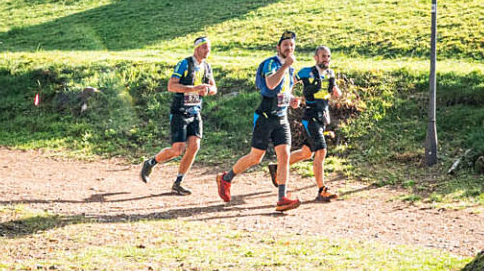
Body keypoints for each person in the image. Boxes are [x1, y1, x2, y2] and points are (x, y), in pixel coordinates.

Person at [217, 30, 304, 212]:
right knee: (255, 158)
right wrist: (285, 66)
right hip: (265, 117)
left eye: (292, 46)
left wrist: (293, 100)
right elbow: (271, 84)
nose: (289, 48)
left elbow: (284, 91)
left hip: (281, 118)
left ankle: (282, 198)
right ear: (278, 47)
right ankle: (226, 178)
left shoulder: (290, 69)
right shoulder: (270, 64)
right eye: (286, 45)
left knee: (284, 156)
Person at [139, 36, 216, 196]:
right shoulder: (184, 64)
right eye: (204, 48)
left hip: (195, 112)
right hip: (179, 112)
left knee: (195, 146)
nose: (207, 51)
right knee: (177, 150)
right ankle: (150, 163)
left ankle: (178, 182)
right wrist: (193, 88)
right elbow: (171, 86)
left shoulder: (207, 67)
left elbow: (214, 88)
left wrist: (207, 90)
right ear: (196, 49)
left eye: (209, 48)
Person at [283, 45, 343, 202]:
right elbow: (289, 82)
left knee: (306, 153)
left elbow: (334, 87)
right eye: (323, 56)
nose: (326, 59)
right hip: (310, 117)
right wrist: (290, 97)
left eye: (328, 56)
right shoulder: (306, 72)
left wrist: (337, 91)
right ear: (316, 57)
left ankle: (279, 167)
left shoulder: (330, 73)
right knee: (321, 151)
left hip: (323, 117)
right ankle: (322, 190)